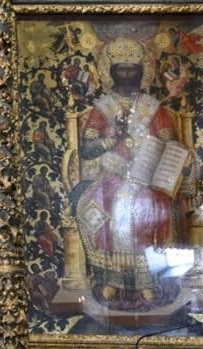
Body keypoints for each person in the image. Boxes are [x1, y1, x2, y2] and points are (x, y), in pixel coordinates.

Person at [73, 37, 198, 310]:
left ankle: (145, 280)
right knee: (108, 205)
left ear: (143, 72)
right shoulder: (102, 107)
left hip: (147, 177)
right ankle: (114, 279)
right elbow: (88, 148)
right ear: (111, 71)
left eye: (133, 69)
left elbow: (168, 141)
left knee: (147, 206)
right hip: (112, 174)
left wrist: (160, 153)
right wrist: (113, 139)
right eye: (121, 69)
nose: (127, 74)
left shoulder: (153, 106)